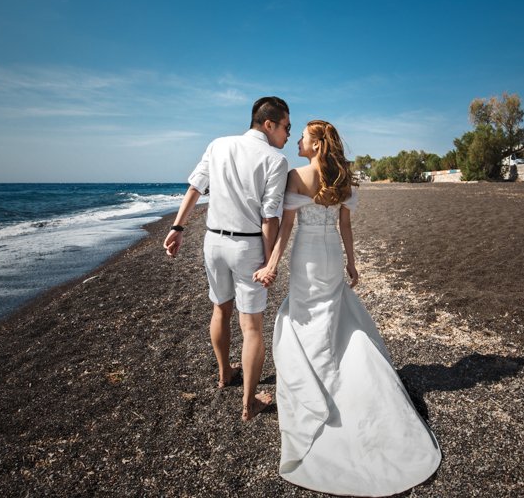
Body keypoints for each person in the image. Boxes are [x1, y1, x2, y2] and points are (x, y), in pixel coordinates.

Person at [254, 120, 440, 496]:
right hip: (331, 256)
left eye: (303, 137)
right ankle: (342, 375)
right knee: (332, 316)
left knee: (304, 318)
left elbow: (287, 227)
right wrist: (352, 263)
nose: (298, 141)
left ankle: (318, 386)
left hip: (307, 257)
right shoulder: (343, 178)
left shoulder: (296, 176)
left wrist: (271, 264)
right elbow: (346, 227)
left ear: (316, 144)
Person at [164, 97, 290, 421]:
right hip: (248, 246)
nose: (288, 135)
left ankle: (225, 374)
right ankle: (249, 403)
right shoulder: (276, 160)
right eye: (286, 127)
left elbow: (195, 188)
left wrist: (177, 227)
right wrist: (269, 262)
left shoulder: (217, 144)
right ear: (269, 124)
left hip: (213, 242)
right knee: (252, 326)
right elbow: (270, 216)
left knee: (220, 309)